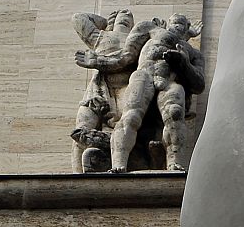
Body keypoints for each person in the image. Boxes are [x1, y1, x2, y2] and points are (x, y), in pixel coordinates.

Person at [110, 15, 205, 172]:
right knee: (131, 115)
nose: (177, 26)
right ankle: (118, 163)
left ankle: (174, 163)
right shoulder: (151, 29)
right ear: (167, 23)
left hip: (169, 81)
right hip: (144, 75)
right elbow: (127, 55)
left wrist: (184, 63)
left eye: (181, 24)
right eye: (175, 22)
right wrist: (98, 61)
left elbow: (199, 85)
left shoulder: (193, 53)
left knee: (175, 113)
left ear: (187, 28)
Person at [69, 9, 159, 172]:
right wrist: (106, 23)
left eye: (129, 18)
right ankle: (77, 174)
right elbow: (78, 18)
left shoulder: (137, 37)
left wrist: (99, 61)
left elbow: (132, 57)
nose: (126, 17)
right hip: (99, 88)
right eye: (121, 16)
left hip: (126, 88)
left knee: (126, 125)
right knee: (81, 129)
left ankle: (118, 159)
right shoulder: (100, 36)